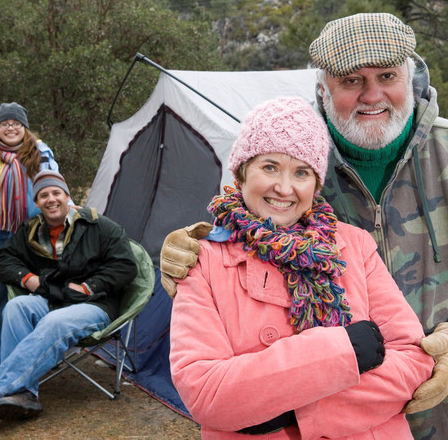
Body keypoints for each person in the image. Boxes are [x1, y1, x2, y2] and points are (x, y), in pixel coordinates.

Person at [161, 13, 448, 439]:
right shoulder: (297, 150)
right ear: (323, 88)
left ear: (411, 75)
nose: (372, 95)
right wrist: (190, 253)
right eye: (351, 81)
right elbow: (241, 237)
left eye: (387, 75)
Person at [169, 97, 434, 438]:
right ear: (241, 171)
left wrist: (285, 406)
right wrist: (347, 350)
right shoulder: (202, 261)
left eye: (301, 172)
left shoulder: (354, 246)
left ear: (315, 183)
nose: (284, 187)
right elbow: (205, 392)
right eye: (269, 167)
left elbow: (413, 359)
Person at [0, 170, 137, 422]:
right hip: (54, 298)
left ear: (67, 196)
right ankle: (23, 396)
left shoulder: (98, 225)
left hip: (94, 305)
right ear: (36, 203)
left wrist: (90, 286)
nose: (50, 199)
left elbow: (125, 266)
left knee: (54, 322)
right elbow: (3, 258)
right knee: (17, 306)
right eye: (43, 195)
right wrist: (28, 279)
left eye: (56, 192)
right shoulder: (33, 231)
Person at [0, 102, 69, 371]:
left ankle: (40, 347)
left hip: (34, 235)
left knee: (36, 290)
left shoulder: (41, 153)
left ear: (24, 127)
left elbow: (53, 186)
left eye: (16, 123)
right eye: (5, 124)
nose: (11, 128)